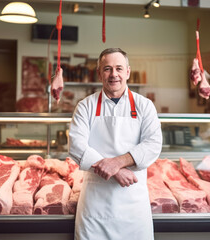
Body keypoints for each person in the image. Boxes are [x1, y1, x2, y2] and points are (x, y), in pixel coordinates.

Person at [68, 48, 162, 240]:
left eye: (119, 68)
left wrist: (117, 162)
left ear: (127, 71)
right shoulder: (86, 106)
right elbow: (76, 147)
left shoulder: (144, 105)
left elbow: (153, 144)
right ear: (99, 73)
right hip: (96, 206)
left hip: (133, 206)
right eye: (107, 69)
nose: (114, 75)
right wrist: (116, 171)